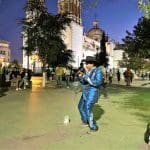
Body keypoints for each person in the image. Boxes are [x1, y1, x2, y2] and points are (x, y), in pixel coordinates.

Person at [78, 56, 103, 132]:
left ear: (92, 64)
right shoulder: (88, 71)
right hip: (85, 92)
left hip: (92, 92)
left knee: (87, 108)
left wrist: (86, 77)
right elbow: (84, 82)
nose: (86, 65)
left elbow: (98, 83)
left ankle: (93, 127)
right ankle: (86, 121)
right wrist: (80, 77)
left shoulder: (98, 71)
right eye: (86, 63)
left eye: (87, 64)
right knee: (80, 106)